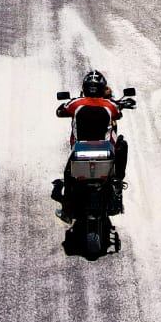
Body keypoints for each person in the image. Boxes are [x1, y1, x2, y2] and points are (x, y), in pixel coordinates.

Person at [51, 70, 130, 216]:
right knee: (122, 144)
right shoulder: (109, 105)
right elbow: (118, 114)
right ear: (103, 88)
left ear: (84, 87)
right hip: (104, 151)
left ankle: (67, 209)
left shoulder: (76, 103)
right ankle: (118, 182)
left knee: (68, 174)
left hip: (79, 151)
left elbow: (60, 111)